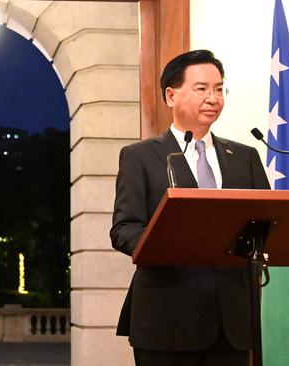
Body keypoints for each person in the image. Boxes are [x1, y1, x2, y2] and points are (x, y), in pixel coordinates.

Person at [109, 50, 270, 366]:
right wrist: (163, 245)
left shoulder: (246, 156)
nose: (213, 97)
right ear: (171, 95)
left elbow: (264, 223)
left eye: (219, 89)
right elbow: (124, 228)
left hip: (232, 322)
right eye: (202, 88)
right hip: (167, 316)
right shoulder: (140, 156)